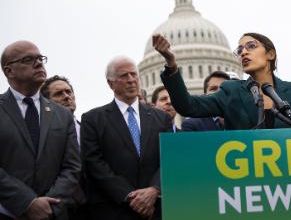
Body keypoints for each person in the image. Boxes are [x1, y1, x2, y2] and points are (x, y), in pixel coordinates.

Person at [153, 32, 291, 129]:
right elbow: (188, 107)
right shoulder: (231, 91)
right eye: (240, 49)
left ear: (270, 54)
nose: (243, 52)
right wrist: (171, 64)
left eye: (251, 46)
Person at [80, 56, 171, 220]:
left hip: (156, 209)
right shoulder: (93, 119)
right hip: (114, 209)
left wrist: (154, 190)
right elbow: (94, 163)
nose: (131, 80)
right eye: (124, 76)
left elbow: (170, 158)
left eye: (134, 74)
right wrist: (130, 196)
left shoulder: (161, 118)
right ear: (110, 83)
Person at [0, 41, 80, 220]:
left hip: (53, 213)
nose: (38, 63)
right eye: (29, 59)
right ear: (8, 70)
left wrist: (49, 204)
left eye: (40, 58)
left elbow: (72, 167)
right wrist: (27, 202)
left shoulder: (63, 116)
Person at [40, 75, 87, 220]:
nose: (67, 97)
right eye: (59, 94)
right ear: (47, 101)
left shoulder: (89, 129)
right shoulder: (42, 134)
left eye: (69, 92)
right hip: (58, 209)